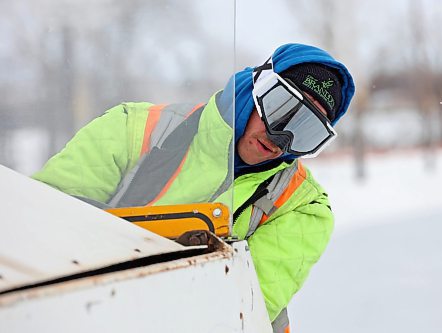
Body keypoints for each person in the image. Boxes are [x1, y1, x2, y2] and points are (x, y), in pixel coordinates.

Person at [33, 43, 355, 332]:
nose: (280, 139)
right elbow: (41, 226)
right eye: (281, 109)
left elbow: (234, 312)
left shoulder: (303, 206)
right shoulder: (132, 129)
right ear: (258, 87)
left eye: (307, 131)